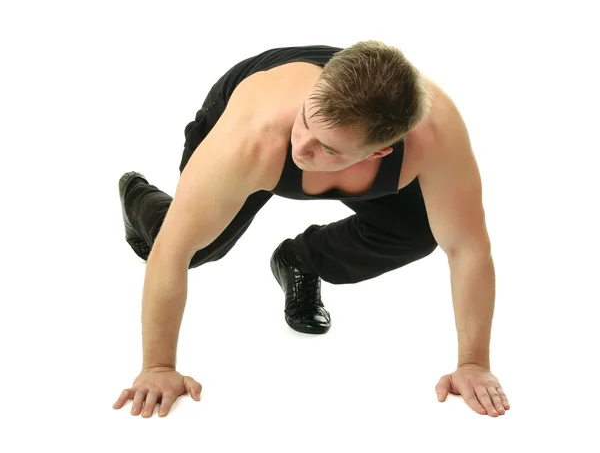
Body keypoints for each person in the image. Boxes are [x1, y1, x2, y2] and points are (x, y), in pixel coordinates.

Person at [112, 41, 510, 419]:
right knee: (196, 247)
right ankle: (137, 196)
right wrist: (159, 367)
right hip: (252, 110)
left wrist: (474, 363)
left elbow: (467, 248)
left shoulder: (436, 137)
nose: (301, 148)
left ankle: (300, 260)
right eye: (305, 122)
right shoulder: (251, 137)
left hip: (363, 113)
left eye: (328, 148)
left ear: (378, 153)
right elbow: (172, 251)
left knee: (417, 231)